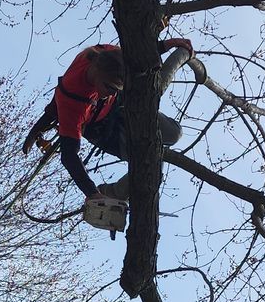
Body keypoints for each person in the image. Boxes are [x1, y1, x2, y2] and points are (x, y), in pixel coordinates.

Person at [25, 38, 193, 200]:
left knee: (174, 133)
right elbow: (69, 155)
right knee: (148, 162)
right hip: (103, 130)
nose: (111, 92)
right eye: (110, 87)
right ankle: (114, 192)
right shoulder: (74, 102)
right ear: (97, 73)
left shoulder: (107, 54)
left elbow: (137, 55)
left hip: (120, 106)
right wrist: (92, 193)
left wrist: (167, 44)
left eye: (116, 88)